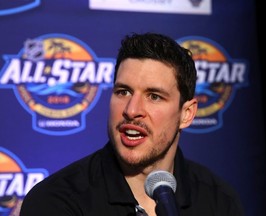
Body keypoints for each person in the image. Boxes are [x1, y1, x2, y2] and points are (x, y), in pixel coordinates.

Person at [20, 32, 244, 216]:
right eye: (123, 91)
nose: (132, 110)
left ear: (186, 114)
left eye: (154, 96)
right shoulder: (56, 201)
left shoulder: (218, 201)